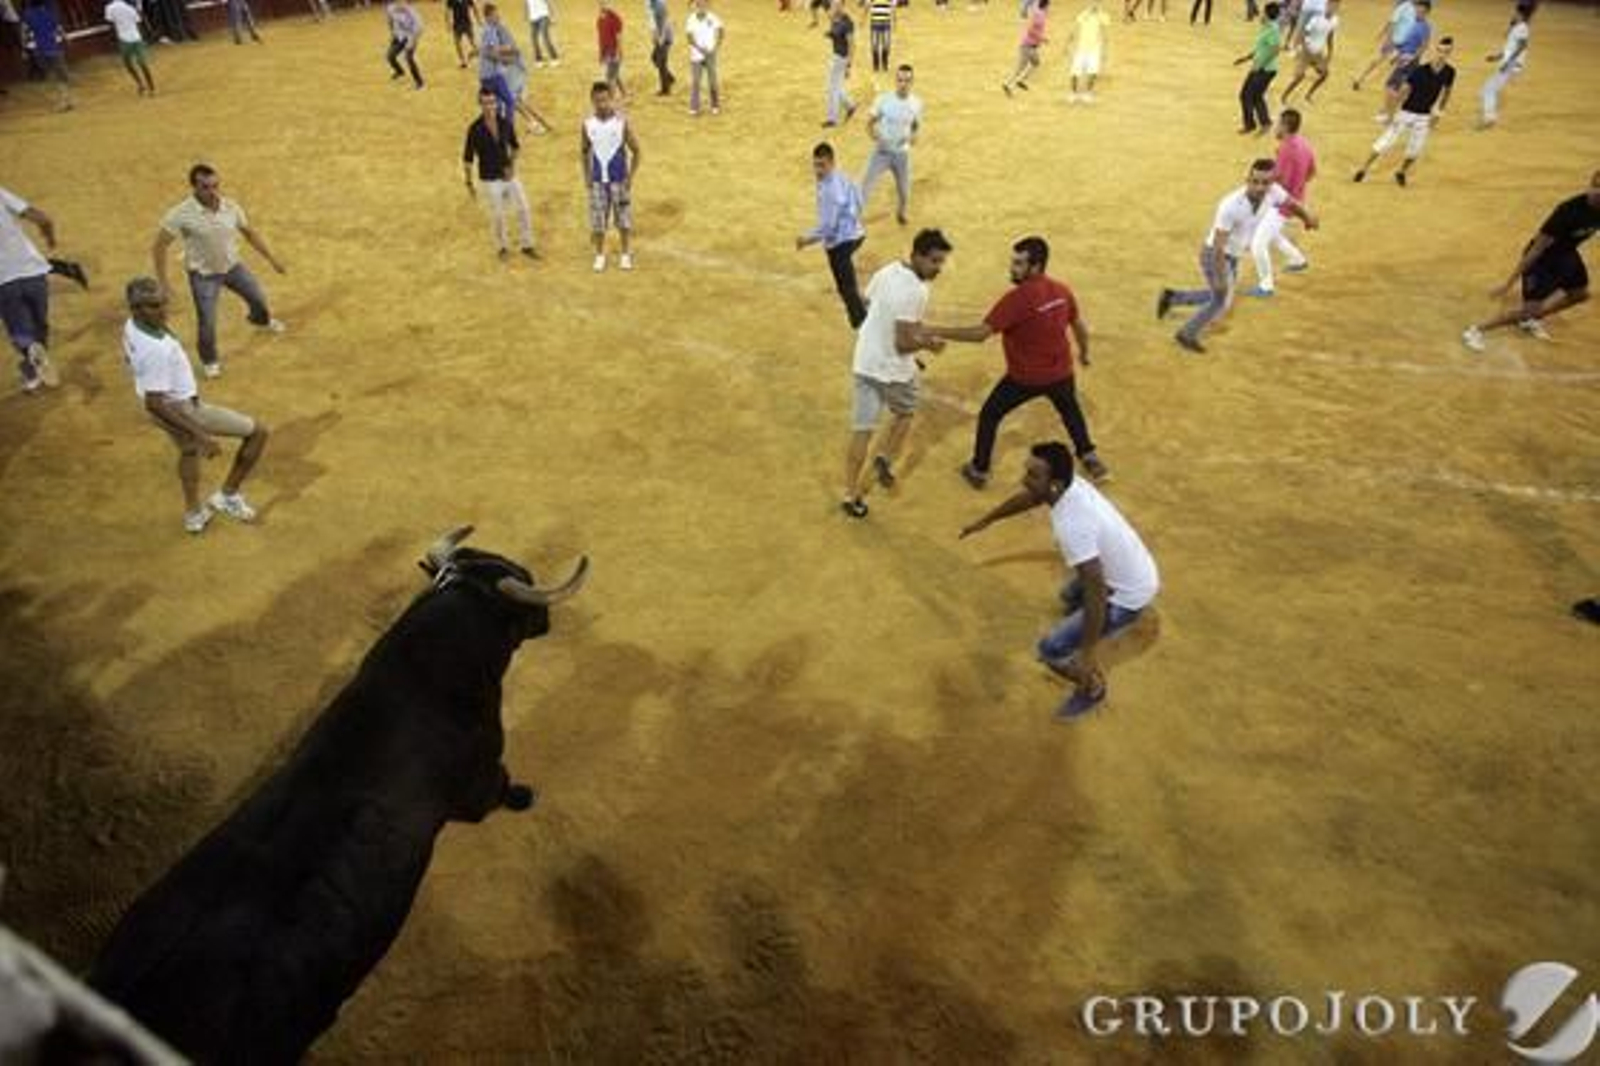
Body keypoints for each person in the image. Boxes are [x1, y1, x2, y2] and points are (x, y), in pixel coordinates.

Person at [959, 442, 1159, 718]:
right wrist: (988, 519)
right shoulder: (1068, 485)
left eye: (1032, 476)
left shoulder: (1072, 525)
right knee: (1068, 598)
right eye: (1026, 471)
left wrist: (1088, 652)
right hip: (1134, 568)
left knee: (1050, 649)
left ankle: (1092, 687)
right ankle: (1088, 631)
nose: (1023, 479)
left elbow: (1096, 590)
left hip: (1126, 594)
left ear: (1053, 484)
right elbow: (1031, 497)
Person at [922, 236, 1111, 486]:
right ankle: (1090, 456)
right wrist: (1084, 353)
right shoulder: (1062, 291)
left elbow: (980, 334)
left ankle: (979, 470)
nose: (1013, 268)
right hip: (1061, 372)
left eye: (1020, 264)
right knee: (1070, 409)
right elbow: (1079, 326)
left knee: (990, 415)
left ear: (1036, 266)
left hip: (1026, 378)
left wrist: (935, 330)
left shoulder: (1018, 299)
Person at [120, 277, 269, 536]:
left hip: (165, 405)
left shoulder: (132, 326)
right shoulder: (156, 350)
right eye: (154, 306)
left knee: (188, 452)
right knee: (258, 433)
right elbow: (154, 403)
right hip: (179, 409)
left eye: (163, 303)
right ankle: (227, 496)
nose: (163, 311)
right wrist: (200, 433)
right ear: (136, 309)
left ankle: (193, 514)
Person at [841, 228, 951, 519]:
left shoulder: (888, 269)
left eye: (941, 262)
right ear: (917, 256)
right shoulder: (918, 290)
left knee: (862, 431)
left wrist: (900, 332)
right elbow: (903, 342)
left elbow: (869, 304)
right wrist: (928, 344)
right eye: (934, 261)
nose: (938, 268)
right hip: (893, 370)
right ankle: (885, 458)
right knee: (906, 411)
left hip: (865, 360)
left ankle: (850, 495)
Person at [1156, 158, 1318, 353]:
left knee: (1221, 295)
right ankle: (1186, 334)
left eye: (1265, 182)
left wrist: (1307, 217)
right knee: (1221, 299)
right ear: (1247, 179)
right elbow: (1218, 245)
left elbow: (1292, 204)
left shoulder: (1274, 192)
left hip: (1233, 255)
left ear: (1272, 182)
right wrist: (1221, 275)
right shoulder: (1230, 206)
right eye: (1255, 181)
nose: (1259, 187)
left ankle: (1173, 297)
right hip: (1215, 255)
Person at [152, 164, 286, 379]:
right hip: (203, 276)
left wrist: (272, 259)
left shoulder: (231, 206)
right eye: (206, 187)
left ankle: (259, 320)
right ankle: (210, 360)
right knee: (207, 322)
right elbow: (159, 247)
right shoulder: (180, 214)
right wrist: (164, 283)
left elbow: (249, 233)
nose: (213, 192)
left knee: (258, 298)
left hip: (233, 267)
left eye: (215, 186)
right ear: (194, 187)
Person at [1462, 171, 1599, 352]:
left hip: (1566, 254)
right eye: (1596, 188)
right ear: (1590, 186)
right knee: (1530, 308)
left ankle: (1531, 319)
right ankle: (1476, 330)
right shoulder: (1567, 212)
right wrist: (1509, 283)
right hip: (1542, 259)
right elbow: (1536, 249)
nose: (1598, 193)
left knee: (1580, 294)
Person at [1352, 37, 1453, 188]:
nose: (1442, 55)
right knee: (1386, 141)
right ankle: (1363, 168)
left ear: (1450, 53)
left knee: (1416, 149)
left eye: (1446, 52)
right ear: (1435, 51)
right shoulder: (1420, 71)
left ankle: (1401, 171)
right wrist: (1391, 114)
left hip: (1424, 116)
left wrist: (1438, 113)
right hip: (1407, 112)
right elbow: (1403, 92)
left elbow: (1446, 93)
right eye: (1439, 51)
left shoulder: (1450, 72)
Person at [796, 142, 867, 329]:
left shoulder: (830, 190)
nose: (818, 170)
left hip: (840, 243)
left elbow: (828, 227)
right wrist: (854, 220)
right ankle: (862, 311)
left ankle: (862, 324)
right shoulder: (841, 176)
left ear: (831, 162)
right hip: (856, 233)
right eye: (816, 164)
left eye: (822, 165)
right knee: (847, 286)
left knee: (846, 289)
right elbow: (858, 197)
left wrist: (806, 239)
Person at [0, 185, 63, 393]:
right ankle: (34, 364)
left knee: (20, 331)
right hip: (33, 271)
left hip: (4, 283)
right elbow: (43, 219)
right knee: (40, 325)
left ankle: (31, 362)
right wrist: (50, 238)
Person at [464, 87, 539, 259]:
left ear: (496, 103)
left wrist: (512, 166)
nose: (489, 107)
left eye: (491, 103)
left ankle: (527, 244)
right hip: (489, 179)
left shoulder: (505, 123)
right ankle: (502, 247)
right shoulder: (474, 129)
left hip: (508, 175)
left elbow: (515, 147)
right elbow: (468, 158)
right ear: (480, 104)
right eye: (485, 103)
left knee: (524, 209)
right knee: (498, 215)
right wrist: (468, 182)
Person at [1246, 108, 1313, 295]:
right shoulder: (1304, 143)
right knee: (1270, 232)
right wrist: (1298, 186)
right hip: (1296, 199)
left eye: (1278, 123)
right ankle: (1297, 260)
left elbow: (1278, 180)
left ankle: (1266, 286)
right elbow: (1312, 171)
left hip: (1281, 205)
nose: (1275, 126)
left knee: (1258, 243)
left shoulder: (1285, 149)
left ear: (1284, 126)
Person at [581, 80, 641, 272]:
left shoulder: (621, 123)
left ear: (612, 99)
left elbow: (637, 151)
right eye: (598, 101)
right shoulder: (587, 125)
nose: (602, 104)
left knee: (623, 220)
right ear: (592, 101)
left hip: (619, 180)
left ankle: (625, 253)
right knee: (598, 222)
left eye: (606, 100)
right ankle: (599, 255)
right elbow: (583, 151)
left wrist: (630, 177)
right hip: (598, 182)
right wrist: (587, 176)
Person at [861, 63, 921, 226]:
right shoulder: (884, 100)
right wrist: (877, 138)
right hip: (882, 153)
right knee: (865, 188)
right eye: (900, 80)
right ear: (896, 81)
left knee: (904, 193)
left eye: (907, 81)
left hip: (902, 155)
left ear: (912, 82)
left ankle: (901, 214)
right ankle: (852, 221)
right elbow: (869, 124)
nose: (903, 84)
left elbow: (915, 125)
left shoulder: (916, 103)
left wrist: (914, 136)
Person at [1477, 2, 1531, 130]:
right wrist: (1497, 57)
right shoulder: (1518, 27)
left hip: (1511, 65)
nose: (1513, 14)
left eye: (1516, 13)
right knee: (1489, 89)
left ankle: (1489, 118)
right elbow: (1510, 49)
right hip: (1509, 63)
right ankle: (1490, 117)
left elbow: (1522, 46)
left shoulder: (1522, 27)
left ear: (1521, 14)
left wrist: (1508, 63)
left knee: (1488, 89)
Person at [1374, 0, 1429, 124]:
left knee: (1391, 87)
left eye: (1420, 11)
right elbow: (1406, 42)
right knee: (1397, 88)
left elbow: (1424, 46)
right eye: (1416, 10)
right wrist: (1397, 54)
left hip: (1408, 62)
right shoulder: (1414, 24)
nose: (1417, 12)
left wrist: (1411, 58)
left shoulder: (1424, 27)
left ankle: (1389, 116)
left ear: (1426, 12)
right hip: (1402, 58)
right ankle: (1388, 112)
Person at [1233, 2, 1281, 135]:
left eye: (1263, 12)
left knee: (1246, 95)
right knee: (1256, 96)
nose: (1261, 14)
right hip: (1263, 68)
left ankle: (1251, 125)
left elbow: (1275, 50)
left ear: (1267, 14)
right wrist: (1246, 58)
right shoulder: (1266, 27)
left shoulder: (1273, 29)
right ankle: (1264, 123)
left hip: (1265, 70)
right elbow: (1261, 48)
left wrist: (1260, 65)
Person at [20, 0, 71, 110]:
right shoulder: (50, 12)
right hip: (53, 47)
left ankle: (62, 100)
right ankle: (65, 99)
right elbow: (59, 28)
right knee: (61, 76)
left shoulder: (27, 14)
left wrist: (24, 49)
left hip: (39, 50)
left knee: (52, 75)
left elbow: (24, 33)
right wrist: (66, 39)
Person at [1352, 0, 1414, 91]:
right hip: (1394, 41)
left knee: (1388, 65)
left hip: (1404, 44)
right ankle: (1360, 78)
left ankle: (1364, 81)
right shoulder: (1404, 7)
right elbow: (1392, 23)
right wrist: (1388, 40)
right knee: (1378, 61)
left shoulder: (1417, 9)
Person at [104, 0, 155, 96]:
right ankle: (151, 87)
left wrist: (112, 41)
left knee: (128, 64)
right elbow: (139, 23)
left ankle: (140, 84)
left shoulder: (109, 8)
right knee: (143, 64)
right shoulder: (130, 8)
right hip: (136, 38)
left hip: (123, 39)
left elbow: (110, 25)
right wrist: (143, 37)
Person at [1066, 0, 1110, 103]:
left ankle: (1087, 93)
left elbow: (1105, 33)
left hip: (1095, 49)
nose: (1094, 4)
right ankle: (1073, 93)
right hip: (1081, 48)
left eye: (1097, 2)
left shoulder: (1103, 16)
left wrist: (1105, 51)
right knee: (1074, 72)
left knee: (1093, 73)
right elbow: (1074, 29)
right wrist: (1068, 44)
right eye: (1093, 2)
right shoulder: (1083, 14)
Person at [1002, 0, 1048, 96]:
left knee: (1035, 63)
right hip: (1028, 45)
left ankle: (1019, 81)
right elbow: (1030, 29)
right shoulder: (1039, 15)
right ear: (1046, 5)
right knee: (1021, 67)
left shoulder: (1039, 13)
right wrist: (1042, 38)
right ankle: (1008, 84)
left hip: (1030, 45)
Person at [685, 0, 722, 115]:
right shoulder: (691, 19)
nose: (701, 6)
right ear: (695, 6)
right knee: (696, 82)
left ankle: (715, 105)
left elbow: (721, 31)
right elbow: (689, 38)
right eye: (698, 4)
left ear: (707, 5)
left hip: (710, 53)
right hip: (697, 55)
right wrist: (701, 49)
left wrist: (715, 47)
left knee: (713, 81)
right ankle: (694, 107)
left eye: (703, 4)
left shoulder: (713, 17)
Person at [822, 1, 856, 127]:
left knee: (832, 88)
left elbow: (852, 45)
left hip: (842, 58)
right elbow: (835, 32)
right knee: (835, 86)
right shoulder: (836, 18)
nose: (834, 7)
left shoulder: (847, 22)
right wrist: (830, 35)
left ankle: (832, 119)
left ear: (843, 5)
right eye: (833, 4)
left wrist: (849, 65)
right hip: (836, 56)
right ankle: (850, 105)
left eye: (837, 5)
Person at [385, 0, 425, 88]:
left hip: (411, 36)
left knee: (408, 58)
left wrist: (412, 42)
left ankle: (419, 82)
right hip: (399, 36)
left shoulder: (412, 13)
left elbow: (419, 28)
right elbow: (390, 21)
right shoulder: (390, 8)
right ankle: (400, 71)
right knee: (389, 56)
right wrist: (392, 33)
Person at [646, 0, 675, 95]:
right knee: (655, 58)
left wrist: (661, 38)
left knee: (661, 61)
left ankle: (665, 89)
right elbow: (652, 20)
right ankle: (669, 77)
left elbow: (665, 22)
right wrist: (654, 35)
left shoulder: (660, 4)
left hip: (665, 35)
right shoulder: (648, 3)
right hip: (658, 35)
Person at [597, 0, 625, 96]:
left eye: (606, 2)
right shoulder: (600, 19)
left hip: (614, 52)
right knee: (614, 74)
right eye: (601, 3)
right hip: (607, 52)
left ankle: (611, 100)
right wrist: (601, 54)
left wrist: (619, 52)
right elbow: (601, 39)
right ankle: (624, 93)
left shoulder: (615, 18)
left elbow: (619, 37)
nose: (603, 5)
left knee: (609, 77)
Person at [446, 0, 478, 68]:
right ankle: (463, 61)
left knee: (473, 42)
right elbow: (448, 11)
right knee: (457, 43)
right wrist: (448, 23)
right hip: (457, 24)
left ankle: (473, 53)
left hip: (467, 23)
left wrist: (478, 19)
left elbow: (474, 7)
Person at [526, 0, 559, 64]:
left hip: (543, 15)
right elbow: (527, 5)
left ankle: (554, 57)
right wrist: (527, 16)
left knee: (545, 37)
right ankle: (538, 59)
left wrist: (552, 16)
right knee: (534, 39)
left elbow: (549, 3)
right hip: (533, 18)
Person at [866, 0, 893, 73]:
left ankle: (884, 63)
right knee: (874, 44)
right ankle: (876, 65)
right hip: (875, 22)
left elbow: (892, 6)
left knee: (886, 44)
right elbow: (867, 4)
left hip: (886, 22)